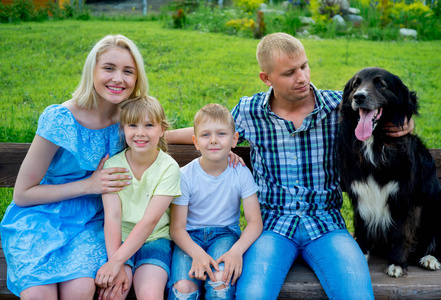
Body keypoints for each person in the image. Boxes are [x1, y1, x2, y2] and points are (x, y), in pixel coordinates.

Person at [165, 32, 414, 300]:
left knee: (357, 295)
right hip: (272, 226)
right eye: (289, 72)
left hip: (326, 225)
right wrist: (158, 136)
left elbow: (385, 110)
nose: (302, 78)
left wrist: (405, 124)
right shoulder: (250, 112)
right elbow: (212, 131)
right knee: (252, 296)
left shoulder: (337, 108)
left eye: (304, 66)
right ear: (266, 78)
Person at [0, 34, 148, 299]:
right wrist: (89, 185)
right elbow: (22, 194)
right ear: (92, 71)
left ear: (136, 79)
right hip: (40, 218)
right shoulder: (60, 119)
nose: (118, 78)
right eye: (108, 68)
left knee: (80, 290)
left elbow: (163, 134)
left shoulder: (129, 120)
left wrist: (218, 143)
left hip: (93, 222)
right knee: (38, 295)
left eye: (128, 71)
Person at [168, 104, 263, 300]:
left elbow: (255, 222)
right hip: (189, 237)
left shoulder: (241, 173)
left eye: (221, 134)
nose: (213, 140)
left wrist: (236, 251)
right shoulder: (185, 176)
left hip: (224, 234)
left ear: (234, 139)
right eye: (205, 135)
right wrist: (196, 253)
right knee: (183, 288)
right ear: (195, 142)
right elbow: (177, 228)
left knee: (220, 281)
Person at [95, 96, 181, 300]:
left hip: (155, 240)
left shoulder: (168, 168)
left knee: (150, 294)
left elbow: (149, 222)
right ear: (123, 129)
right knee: (112, 293)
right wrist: (116, 261)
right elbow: (113, 217)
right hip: (118, 240)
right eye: (132, 125)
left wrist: (116, 263)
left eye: (149, 125)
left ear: (162, 130)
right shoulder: (112, 166)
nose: (140, 132)